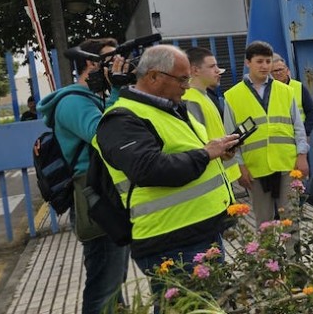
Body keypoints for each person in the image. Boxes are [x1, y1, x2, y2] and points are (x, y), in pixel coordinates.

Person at [94, 45, 238, 309]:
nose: (187, 85)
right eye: (182, 79)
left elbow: (186, 153)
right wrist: (206, 154)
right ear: (153, 77)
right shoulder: (120, 120)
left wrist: (217, 152)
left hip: (199, 231)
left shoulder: (170, 107)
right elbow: (149, 169)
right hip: (170, 241)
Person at [37, 37, 130, 314]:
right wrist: (117, 92)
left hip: (107, 193)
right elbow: (103, 135)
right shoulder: (72, 102)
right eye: (112, 58)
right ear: (92, 63)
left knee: (114, 281)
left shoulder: (93, 97)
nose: (118, 63)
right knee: (104, 285)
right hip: (95, 199)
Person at [223, 41, 308, 225]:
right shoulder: (233, 95)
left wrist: (302, 155)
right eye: (259, 61)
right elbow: (231, 137)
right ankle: (269, 255)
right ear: (248, 63)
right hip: (255, 168)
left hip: (287, 162)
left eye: (268, 61)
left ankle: (294, 254)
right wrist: (240, 167)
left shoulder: (286, 91)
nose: (264, 66)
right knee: (264, 222)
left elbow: (298, 126)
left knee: (291, 219)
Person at [182, 47, 239, 183]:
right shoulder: (190, 100)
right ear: (195, 70)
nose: (218, 70)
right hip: (213, 178)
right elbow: (197, 147)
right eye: (212, 66)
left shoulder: (203, 96)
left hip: (222, 174)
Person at [271, 54, 313, 141]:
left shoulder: (299, 87)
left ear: (287, 70)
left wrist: (305, 132)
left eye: (280, 69)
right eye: (274, 71)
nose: (278, 73)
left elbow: (312, 111)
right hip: (279, 140)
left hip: (299, 137)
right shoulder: (268, 90)